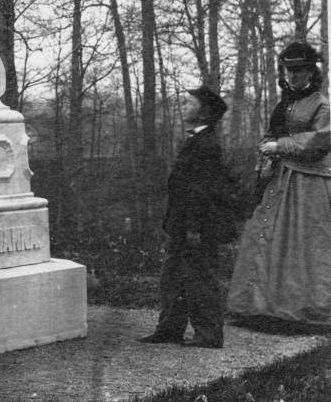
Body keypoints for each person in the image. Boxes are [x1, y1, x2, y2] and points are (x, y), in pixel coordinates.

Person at [227, 41, 331, 325]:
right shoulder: (286, 102)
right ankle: (263, 307)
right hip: (280, 178)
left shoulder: (323, 105)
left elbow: (320, 141)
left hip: (308, 182)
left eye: (300, 70)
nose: (294, 76)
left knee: (302, 242)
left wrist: (279, 145)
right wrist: (266, 144)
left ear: (312, 72)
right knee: (266, 237)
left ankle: (302, 310)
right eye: (289, 70)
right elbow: (272, 133)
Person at [138, 85, 234, 349]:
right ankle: (170, 329)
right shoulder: (195, 140)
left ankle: (209, 335)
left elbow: (202, 192)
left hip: (197, 226)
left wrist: (193, 228)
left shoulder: (207, 146)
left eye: (188, 103)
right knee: (173, 276)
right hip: (182, 224)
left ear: (204, 114)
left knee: (200, 278)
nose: (183, 107)